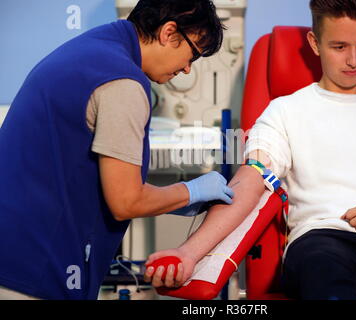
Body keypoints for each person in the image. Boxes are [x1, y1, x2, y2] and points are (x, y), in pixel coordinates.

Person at [144, 0, 356, 300]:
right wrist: (188, 252)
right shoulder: (284, 112)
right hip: (325, 242)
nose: (354, 60)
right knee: (326, 278)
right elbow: (250, 182)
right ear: (315, 43)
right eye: (340, 47)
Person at [0, 0, 233, 300]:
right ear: (169, 32)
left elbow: (92, 176)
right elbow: (125, 201)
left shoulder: (89, 50)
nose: (187, 69)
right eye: (192, 55)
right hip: (32, 272)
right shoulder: (123, 82)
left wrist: (173, 201)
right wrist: (191, 191)